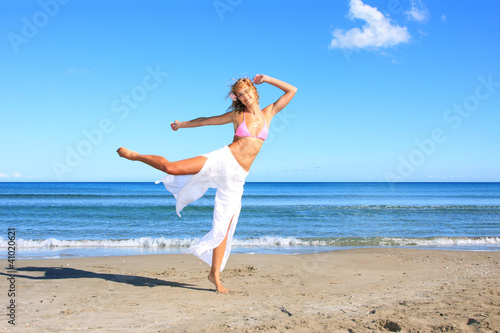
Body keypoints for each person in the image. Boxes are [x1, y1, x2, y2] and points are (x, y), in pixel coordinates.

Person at [117, 74, 297, 293]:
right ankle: (135, 155)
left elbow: (292, 90)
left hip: (238, 177)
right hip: (223, 161)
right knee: (171, 168)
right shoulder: (237, 115)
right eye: (240, 95)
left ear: (254, 91)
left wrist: (266, 78)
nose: (245, 97)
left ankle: (214, 274)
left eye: (247, 92)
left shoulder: (269, 113)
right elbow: (205, 120)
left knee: (224, 226)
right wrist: (181, 125)